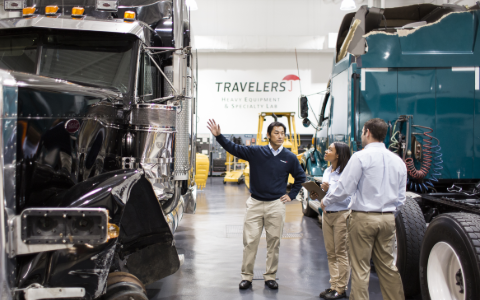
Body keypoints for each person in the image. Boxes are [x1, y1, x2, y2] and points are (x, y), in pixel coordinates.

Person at [207, 119, 306, 290]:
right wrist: (219, 137)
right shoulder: (256, 152)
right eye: (276, 132)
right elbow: (234, 148)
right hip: (255, 204)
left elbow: (300, 177)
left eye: (282, 133)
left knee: (274, 242)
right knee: (250, 241)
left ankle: (270, 276)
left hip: (276, 205)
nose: (280, 136)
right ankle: (247, 276)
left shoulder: (289, 157)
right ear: (268, 135)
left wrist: (292, 195)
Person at [320, 118, 407, 300]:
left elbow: (345, 189)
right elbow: (401, 198)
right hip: (388, 219)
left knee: (361, 268)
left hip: (363, 218)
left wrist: (327, 200)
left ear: (367, 132)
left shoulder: (360, 157)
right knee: (388, 266)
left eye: (362, 132)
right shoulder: (398, 161)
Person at [311, 142, 351, 300]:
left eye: (330, 150)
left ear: (338, 155)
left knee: (341, 253)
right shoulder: (328, 171)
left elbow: (346, 196)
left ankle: (341, 288)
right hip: (327, 215)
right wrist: (318, 194)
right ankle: (334, 284)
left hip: (341, 214)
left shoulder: (346, 173)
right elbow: (325, 195)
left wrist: (328, 191)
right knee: (331, 252)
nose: (326, 151)